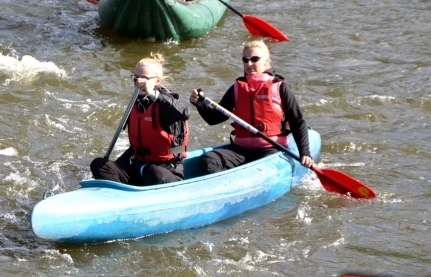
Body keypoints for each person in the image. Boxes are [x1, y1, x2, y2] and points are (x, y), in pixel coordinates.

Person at [189, 39, 314, 174]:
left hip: (270, 149)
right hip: (241, 149)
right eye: (245, 59)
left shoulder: (279, 87)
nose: (249, 64)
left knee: (259, 170)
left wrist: (305, 153)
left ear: (266, 61)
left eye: (255, 59)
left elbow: (297, 121)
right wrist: (199, 103)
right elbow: (214, 119)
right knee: (209, 159)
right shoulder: (237, 88)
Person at [90, 53, 191, 186]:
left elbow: (184, 113)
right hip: (140, 167)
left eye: (144, 78)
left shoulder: (166, 103)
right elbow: (135, 147)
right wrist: (115, 166)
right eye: (136, 78)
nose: (138, 82)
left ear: (158, 81)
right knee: (99, 164)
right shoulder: (137, 104)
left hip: (167, 170)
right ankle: (124, 194)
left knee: (156, 173)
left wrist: (153, 94)